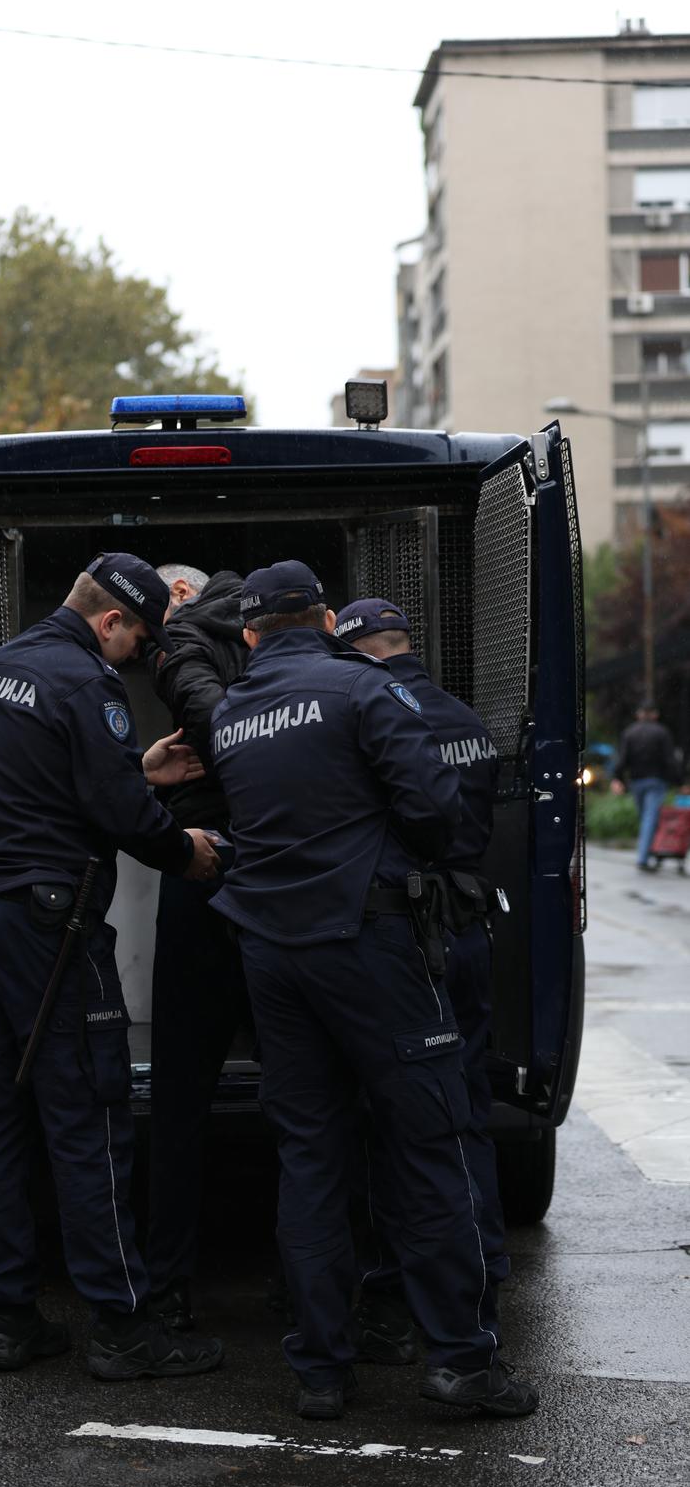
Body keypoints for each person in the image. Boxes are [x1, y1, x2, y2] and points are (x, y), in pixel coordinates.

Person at [209, 560, 538, 1421]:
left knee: (310, 1157)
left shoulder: (234, 712)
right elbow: (433, 813)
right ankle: (463, 1362)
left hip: (272, 957)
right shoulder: (359, 690)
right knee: (427, 1141)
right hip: (371, 942)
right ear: (322, 621)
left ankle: (319, 1368)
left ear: (248, 636)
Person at [0, 552, 224, 1381]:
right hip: (46, 923)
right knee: (88, 1115)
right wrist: (189, 853)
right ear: (109, 621)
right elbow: (114, 816)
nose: (137, 654)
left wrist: (139, 770)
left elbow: (39, 784)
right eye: (137, 636)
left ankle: (9, 1318)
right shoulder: (85, 684)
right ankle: (124, 1328)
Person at [333, 598, 507, 1367]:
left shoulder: (379, 717)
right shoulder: (464, 717)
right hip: (467, 924)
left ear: (355, 653)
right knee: (465, 1110)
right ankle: (485, 1266)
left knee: (402, 1122)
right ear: (404, 643)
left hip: (411, 934)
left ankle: (395, 1292)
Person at [145, 563, 252, 1331]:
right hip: (290, 867)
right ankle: (326, 1287)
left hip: (208, 858)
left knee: (180, 1090)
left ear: (181, 598)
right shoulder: (288, 632)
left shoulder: (183, 638)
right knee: (311, 1085)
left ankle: (165, 1286)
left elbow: (215, 725)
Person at [611, 705, 681, 871]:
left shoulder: (630, 732)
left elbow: (622, 759)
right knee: (650, 818)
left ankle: (648, 853)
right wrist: (679, 782)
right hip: (656, 781)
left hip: (637, 782)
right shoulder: (662, 732)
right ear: (655, 714)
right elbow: (669, 760)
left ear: (639, 714)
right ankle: (645, 856)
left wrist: (617, 777)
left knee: (646, 817)